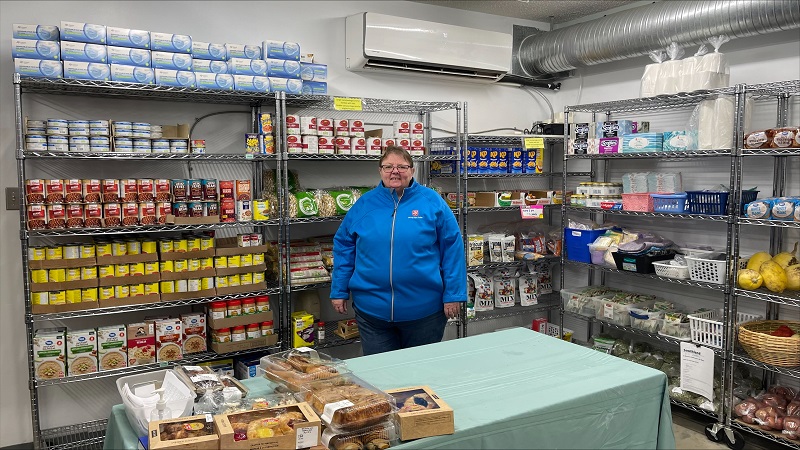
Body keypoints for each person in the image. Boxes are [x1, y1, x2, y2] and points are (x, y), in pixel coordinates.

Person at [330, 146, 467, 355]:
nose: (395, 171)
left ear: (412, 170)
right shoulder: (365, 204)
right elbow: (344, 245)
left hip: (424, 313)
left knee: (419, 373)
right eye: (388, 166)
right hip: (372, 313)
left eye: (402, 166)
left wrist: (454, 294)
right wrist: (339, 290)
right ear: (380, 171)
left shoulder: (432, 202)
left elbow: (452, 249)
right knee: (380, 375)